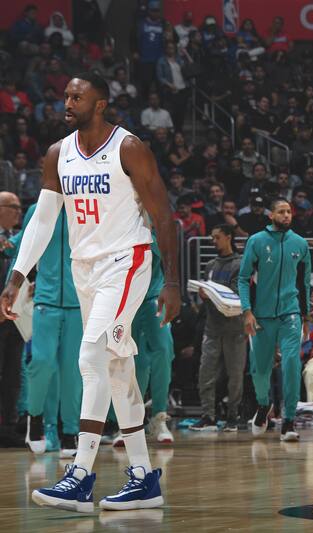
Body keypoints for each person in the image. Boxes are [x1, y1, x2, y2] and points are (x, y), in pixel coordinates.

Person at [0, 72, 180, 512]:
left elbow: (163, 215)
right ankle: (144, 479)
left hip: (126, 261)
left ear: (100, 104)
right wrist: (16, 277)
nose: (68, 102)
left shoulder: (128, 147)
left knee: (90, 356)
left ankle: (79, 475)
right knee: (117, 367)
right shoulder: (58, 154)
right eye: (65, 96)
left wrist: (173, 281)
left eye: (77, 97)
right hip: (84, 268)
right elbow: (42, 221)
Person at [12, 203, 82, 458]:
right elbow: (23, 251)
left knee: (72, 370)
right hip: (45, 299)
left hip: (80, 301)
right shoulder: (39, 209)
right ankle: (37, 417)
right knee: (42, 362)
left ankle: (70, 431)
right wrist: (12, 287)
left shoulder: (87, 204)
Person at [239, 198, 310, 442]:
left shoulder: (300, 244)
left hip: (291, 313)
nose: (286, 215)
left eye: (289, 211)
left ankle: (288, 420)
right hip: (261, 315)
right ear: (271, 215)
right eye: (281, 211)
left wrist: (306, 315)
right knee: (259, 369)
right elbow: (243, 278)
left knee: (292, 364)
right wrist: (247, 311)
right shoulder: (256, 241)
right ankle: (263, 404)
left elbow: (304, 283)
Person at [191, 225, 246, 431]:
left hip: (235, 328)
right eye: (212, 238)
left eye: (217, 237)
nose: (213, 241)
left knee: (235, 375)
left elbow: (236, 293)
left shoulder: (240, 264)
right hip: (212, 327)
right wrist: (204, 294)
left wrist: (212, 292)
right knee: (205, 373)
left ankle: (233, 416)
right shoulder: (210, 265)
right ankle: (208, 416)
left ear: (229, 237)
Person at [130, 233, 175, 444]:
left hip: (153, 296)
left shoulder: (154, 226)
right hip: (124, 299)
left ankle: (159, 416)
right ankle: (131, 421)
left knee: (164, 349)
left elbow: (168, 256)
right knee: (135, 361)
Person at [0, 192, 23, 433]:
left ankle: (9, 425)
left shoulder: (19, 240)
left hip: (15, 316)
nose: (18, 211)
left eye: (19, 207)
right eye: (12, 206)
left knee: (13, 373)